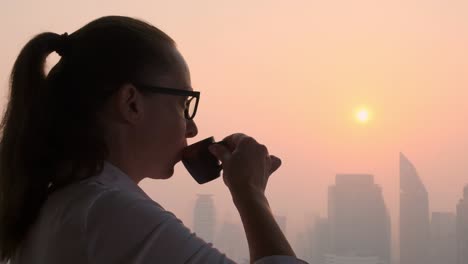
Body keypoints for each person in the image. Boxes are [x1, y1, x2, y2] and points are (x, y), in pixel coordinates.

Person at [0, 16, 306, 263]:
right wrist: (251, 194)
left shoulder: (53, 204)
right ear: (131, 103)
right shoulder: (109, 212)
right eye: (183, 105)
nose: (192, 129)